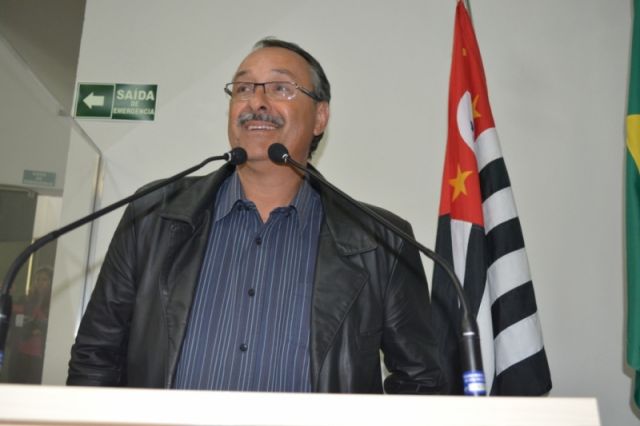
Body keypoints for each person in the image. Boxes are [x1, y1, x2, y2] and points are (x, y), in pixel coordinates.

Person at [67, 38, 445, 394]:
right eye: (244, 88)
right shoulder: (153, 214)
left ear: (320, 117)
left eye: (280, 88)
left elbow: (420, 382)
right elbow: (95, 356)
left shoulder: (380, 240)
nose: (257, 102)